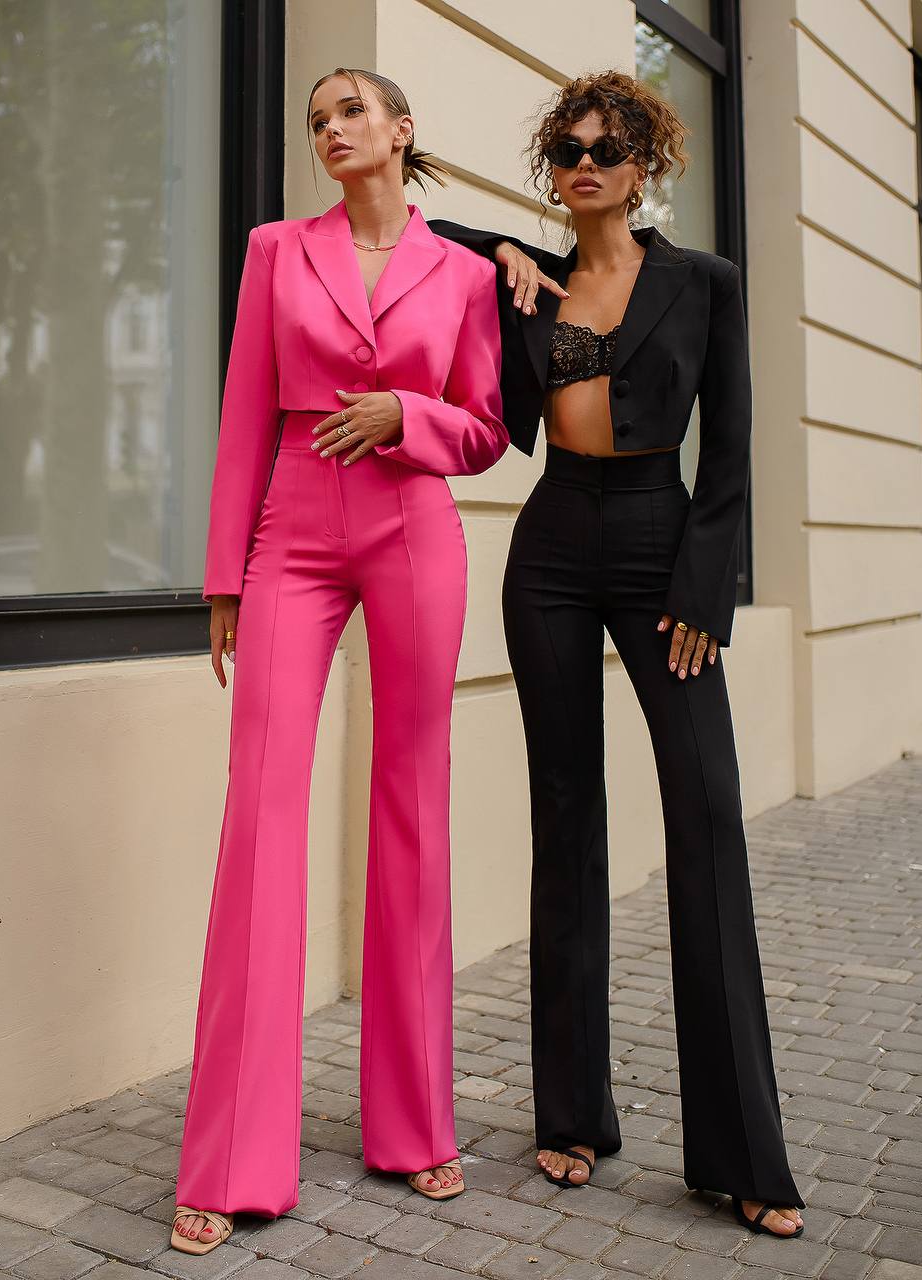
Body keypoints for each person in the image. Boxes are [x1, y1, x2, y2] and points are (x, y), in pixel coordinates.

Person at [428, 70, 806, 1239]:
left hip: (658, 543)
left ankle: (743, 1151)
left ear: (647, 163)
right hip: (548, 547)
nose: (590, 160)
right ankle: (574, 1110)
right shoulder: (528, 283)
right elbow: (427, 223)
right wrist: (504, 249)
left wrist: (708, 584)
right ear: (556, 163)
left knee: (706, 817)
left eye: (614, 144)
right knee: (564, 817)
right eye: (573, 146)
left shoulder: (703, 283)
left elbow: (733, 441)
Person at [170, 66, 508, 1256]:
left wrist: (405, 418)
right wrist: (225, 574)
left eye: (351, 111)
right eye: (316, 119)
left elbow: (485, 423)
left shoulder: (464, 274)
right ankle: (228, 1154)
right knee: (260, 813)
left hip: (414, 526)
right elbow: (242, 409)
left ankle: (415, 1122)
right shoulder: (276, 249)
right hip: (295, 534)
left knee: (412, 806)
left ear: (402, 132)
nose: (329, 129)